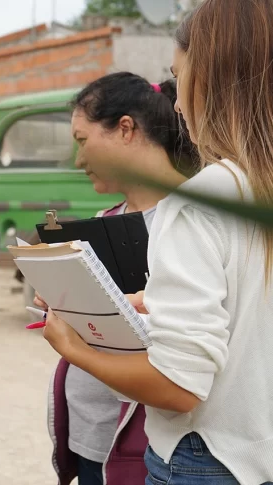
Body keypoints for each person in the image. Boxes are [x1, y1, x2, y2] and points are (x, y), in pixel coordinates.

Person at [41, 0, 273, 483]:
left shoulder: (200, 201)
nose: (178, 103)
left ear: (210, 77)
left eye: (179, 75)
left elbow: (178, 386)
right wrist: (156, 301)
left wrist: (74, 348)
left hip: (203, 459)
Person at [33, 72, 197, 485]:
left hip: (150, 451)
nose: (78, 161)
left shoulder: (196, 225)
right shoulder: (103, 226)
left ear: (126, 129)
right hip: (92, 443)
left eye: (83, 141)